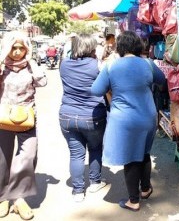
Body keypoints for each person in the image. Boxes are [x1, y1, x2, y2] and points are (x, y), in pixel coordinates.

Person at [91, 31, 166, 211]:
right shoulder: (148, 63)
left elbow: (96, 90)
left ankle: (133, 200)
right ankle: (146, 189)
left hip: (124, 119)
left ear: (120, 47)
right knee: (144, 152)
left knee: (131, 157)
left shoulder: (111, 66)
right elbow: (162, 80)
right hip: (148, 116)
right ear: (138, 46)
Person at [0, 31, 47, 220]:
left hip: (27, 117)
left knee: (28, 156)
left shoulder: (30, 66)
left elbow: (43, 81)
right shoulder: (2, 67)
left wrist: (33, 63)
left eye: (21, 47)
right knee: (2, 159)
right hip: (3, 118)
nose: (18, 51)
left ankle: (18, 198)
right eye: (14, 47)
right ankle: (3, 198)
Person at [59, 34, 108, 202]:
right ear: (92, 47)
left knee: (76, 154)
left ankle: (78, 191)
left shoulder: (64, 64)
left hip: (67, 115)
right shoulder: (97, 66)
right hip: (92, 116)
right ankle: (95, 182)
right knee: (95, 148)